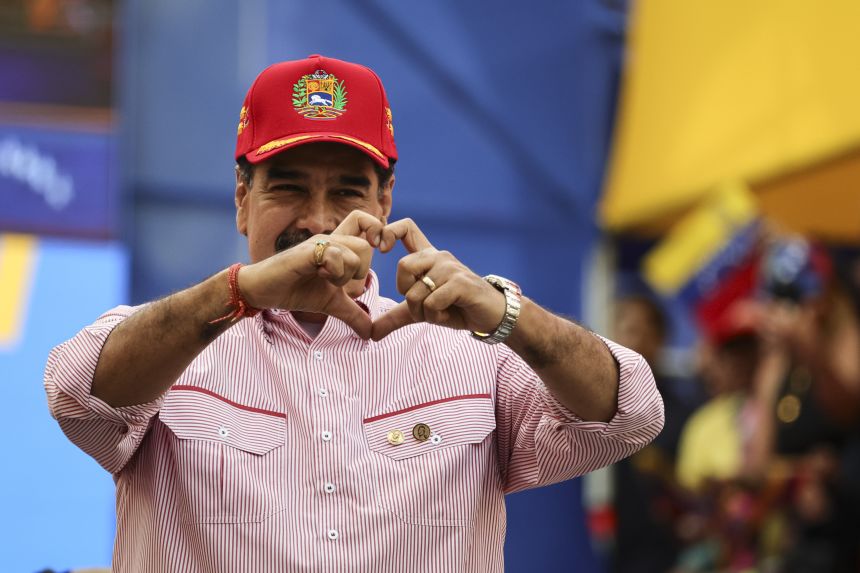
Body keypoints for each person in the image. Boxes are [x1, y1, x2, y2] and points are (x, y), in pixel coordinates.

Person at [44, 55, 664, 572]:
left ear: (385, 201)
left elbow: (633, 411)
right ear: (241, 200)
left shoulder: (471, 351)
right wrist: (241, 292)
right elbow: (74, 392)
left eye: (346, 189)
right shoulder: (177, 346)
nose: (317, 223)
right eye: (287, 187)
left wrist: (504, 312)